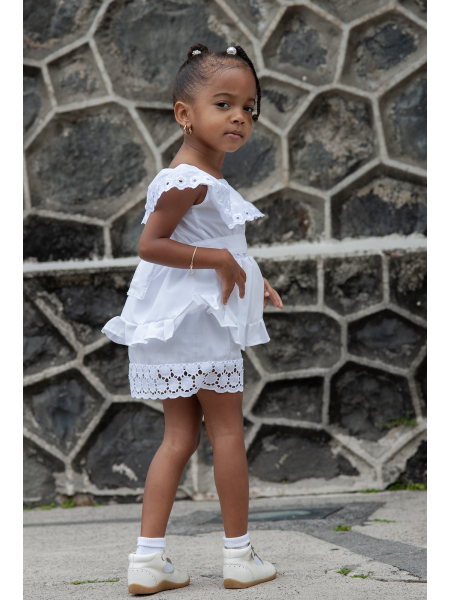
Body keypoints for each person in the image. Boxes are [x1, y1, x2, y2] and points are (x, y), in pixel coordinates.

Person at [102, 42, 283, 595]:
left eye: (248, 107)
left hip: (174, 322)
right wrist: (222, 260)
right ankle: (238, 556)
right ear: (184, 113)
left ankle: (147, 561)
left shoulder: (200, 177)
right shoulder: (190, 179)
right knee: (225, 431)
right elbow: (151, 244)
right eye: (223, 104)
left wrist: (249, 272)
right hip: (196, 320)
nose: (239, 117)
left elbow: (210, 240)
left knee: (178, 436)